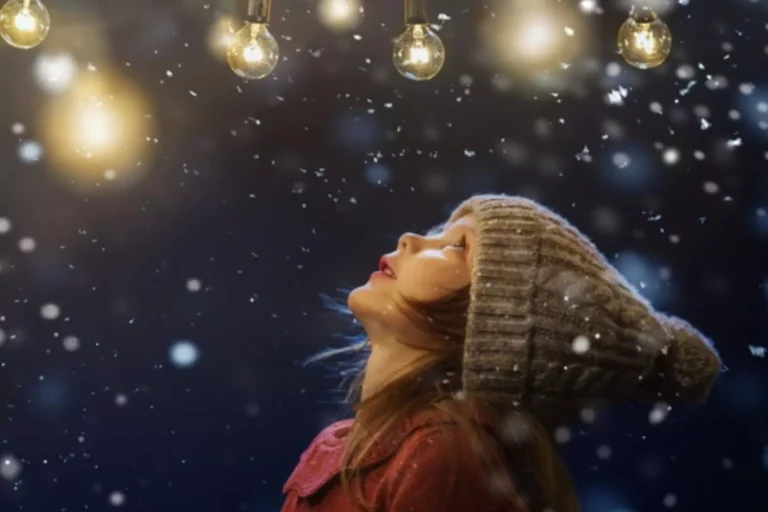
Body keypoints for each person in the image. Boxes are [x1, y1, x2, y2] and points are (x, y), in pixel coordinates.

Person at [280, 194, 722, 512]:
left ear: (494, 319)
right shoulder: (368, 441)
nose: (411, 239)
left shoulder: (444, 456)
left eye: (456, 246)